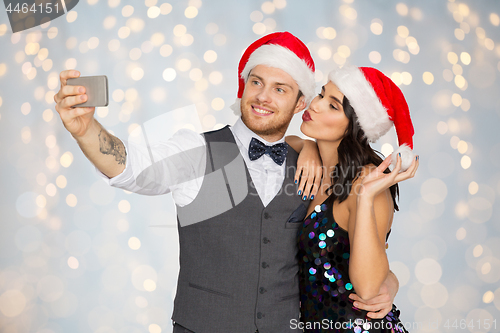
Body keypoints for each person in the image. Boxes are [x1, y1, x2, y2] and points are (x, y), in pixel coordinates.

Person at [54, 32, 400, 333]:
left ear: (299, 104)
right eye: (256, 82)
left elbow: (345, 253)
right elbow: (133, 167)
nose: (263, 96)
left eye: (280, 89)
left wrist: (389, 282)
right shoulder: (197, 150)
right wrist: (86, 131)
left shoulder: (311, 167)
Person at [287, 66, 418, 332]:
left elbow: (369, 289)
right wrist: (308, 146)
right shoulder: (317, 164)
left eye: (333, 106)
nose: (316, 104)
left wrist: (366, 197)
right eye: (322, 94)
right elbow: (289, 140)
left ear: (355, 128)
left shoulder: (367, 181)